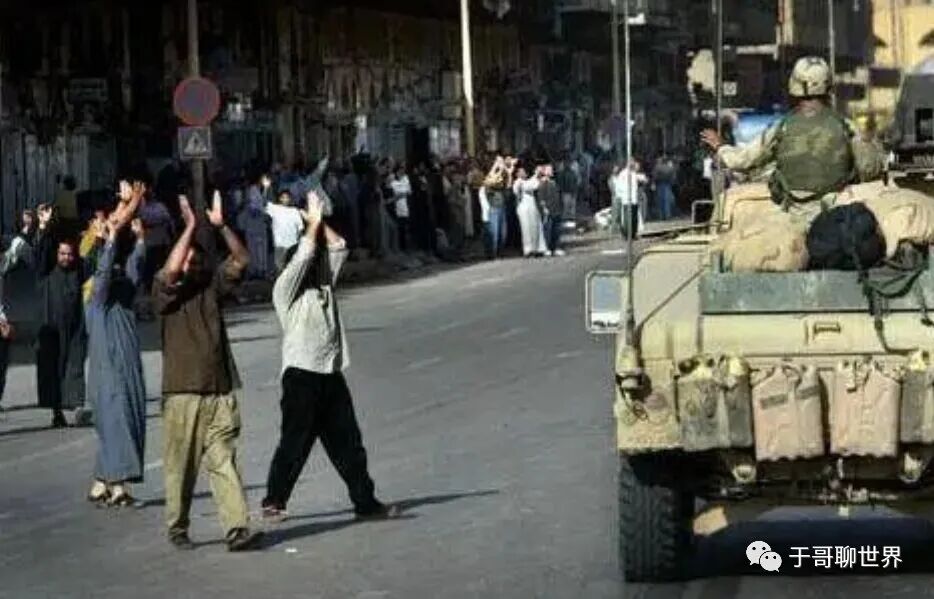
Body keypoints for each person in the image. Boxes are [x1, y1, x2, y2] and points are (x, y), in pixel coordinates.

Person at [261, 191, 402, 523]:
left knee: (349, 444)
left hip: (330, 373)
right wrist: (311, 224)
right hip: (301, 375)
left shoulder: (324, 286)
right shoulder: (286, 291)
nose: (319, 264)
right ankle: (274, 500)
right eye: (315, 261)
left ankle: (365, 503)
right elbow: (304, 255)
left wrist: (319, 220)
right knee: (294, 443)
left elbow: (339, 246)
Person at [152, 192, 263, 552]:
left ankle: (236, 528)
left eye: (196, 260)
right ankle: (177, 527)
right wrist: (189, 227)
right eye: (187, 259)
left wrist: (221, 226)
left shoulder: (211, 288)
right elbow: (170, 271)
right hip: (182, 393)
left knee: (224, 461)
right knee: (180, 468)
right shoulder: (165, 294)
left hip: (218, 392)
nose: (191, 265)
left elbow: (242, 259)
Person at [700, 56, 886, 220]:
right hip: (836, 215)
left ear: (794, 85)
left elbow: (743, 160)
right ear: (828, 86)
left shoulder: (782, 126)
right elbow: (870, 168)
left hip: (793, 214)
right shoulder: (846, 126)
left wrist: (720, 146)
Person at [85, 183, 147, 507]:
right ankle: (118, 485)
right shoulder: (97, 299)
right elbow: (105, 271)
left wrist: (139, 240)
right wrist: (110, 239)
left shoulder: (122, 297)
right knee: (117, 421)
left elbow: (133, 271)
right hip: (108, 372)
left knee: (122, 420)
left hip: (124, 366)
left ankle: (101, 482)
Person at [34, 204, 91, 428]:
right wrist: (44, 226)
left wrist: (97, 236)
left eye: (69, 254)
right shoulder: (46, 272)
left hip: (74, 329)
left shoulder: (78, 270)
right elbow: (41, 251)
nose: (66, 257)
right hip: (51, 330)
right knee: (53, 371)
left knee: (74, 367)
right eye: (62, 254)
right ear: (56, 254)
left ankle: (77, 407)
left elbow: (94, 263)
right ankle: (57, 412)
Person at [0, 214, 36, 412]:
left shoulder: (6, 262)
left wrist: (27, 230)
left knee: (2, 360)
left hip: (3, 319)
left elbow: (16, 250)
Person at [481, 156, 513, 260]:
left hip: (502, 208)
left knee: (503, 233)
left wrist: (508, 172)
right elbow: (489, 181)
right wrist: (496, 166)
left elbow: (508, 185)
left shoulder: (500, 186)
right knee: (494, 233)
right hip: (494, 209)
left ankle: (499, 252)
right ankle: (493, 254)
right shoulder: (488, 184)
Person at [266, 189, 305, 271]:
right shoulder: (274, 208)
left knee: (291, 268)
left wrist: (300, 242)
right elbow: (264, 201)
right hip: (279, 244)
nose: (285, 199)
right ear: (279, 198)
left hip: (292, 244)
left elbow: (300, 227)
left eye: (287, 197)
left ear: (290, 199)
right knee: (279, 267)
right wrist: (266, 188)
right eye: (283, 197)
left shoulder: (295, 211)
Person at [536, 164, 565, 257]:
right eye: (548, 170)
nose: (551, 171)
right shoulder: (543, 183)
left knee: (556, 230)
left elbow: (558, 195)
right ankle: (547, 248)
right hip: (548, 210)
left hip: (556, 209)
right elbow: (541, 197)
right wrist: (544, 208)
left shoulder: (554, 182)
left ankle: (555, 247)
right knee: (548, 230)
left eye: (551, 170)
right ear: (544, 172)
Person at [388, 164, 412, 253]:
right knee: (400, 228)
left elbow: (409, 191)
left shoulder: (405, 179)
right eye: (400, 170)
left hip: (405, 207)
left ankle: (406, 247)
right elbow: (394, 193)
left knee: (405, 228)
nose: (402, 172)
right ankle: (400, 247)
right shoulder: (393, 182)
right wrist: (400, 195)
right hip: (397, 208)